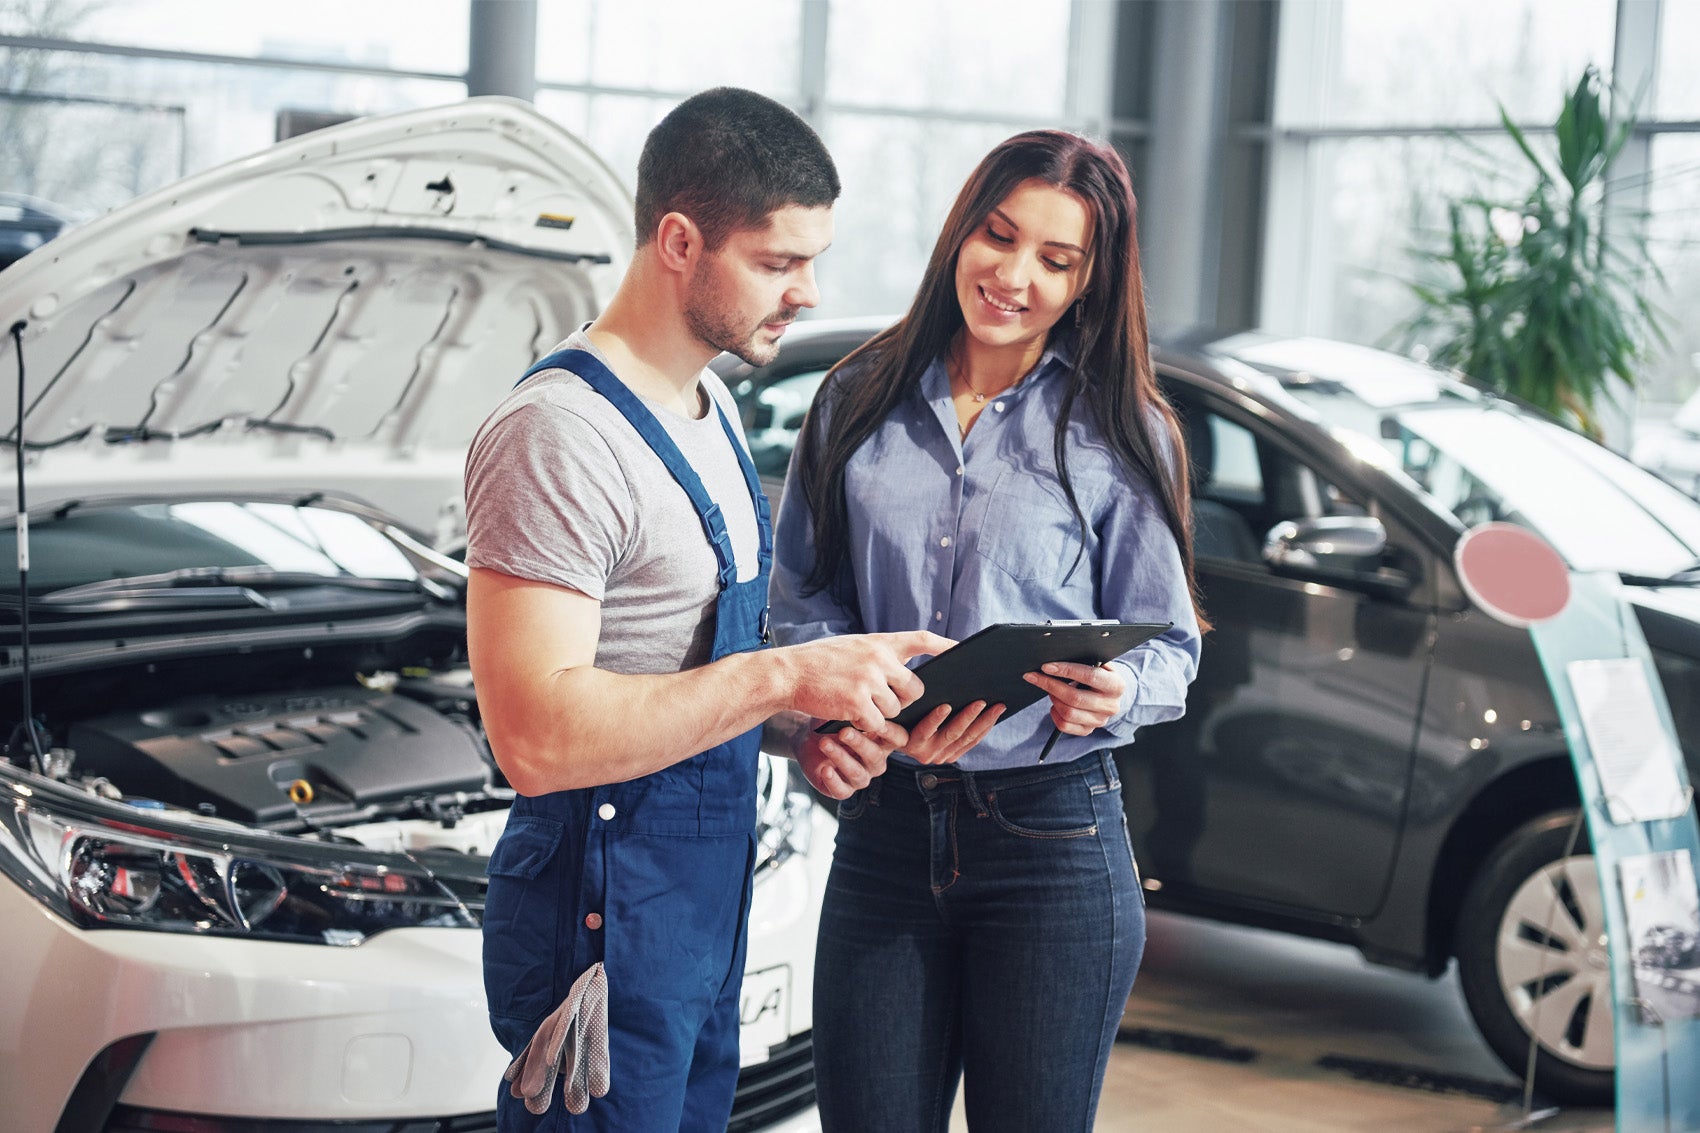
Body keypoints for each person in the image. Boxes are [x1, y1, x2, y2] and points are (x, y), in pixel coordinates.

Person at [464, 87, 949, 1132]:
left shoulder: (710, 405)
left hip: (695, 913)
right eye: (777, 263)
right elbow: (538, 737)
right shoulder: (558, 434)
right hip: (597, 923)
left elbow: (671, 667)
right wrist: (782, 674)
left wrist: (805, 724)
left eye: (812, 260)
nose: (808, 292)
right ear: (679, 241)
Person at [770, 130, 1206, 1131]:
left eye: (1055, 260)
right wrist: (820, 724)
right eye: (998, 236)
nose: (1011, 275)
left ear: (1090, 282)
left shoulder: (1123, 429)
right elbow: (803, 601)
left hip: (1051, 842)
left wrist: (1116, 691)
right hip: (881, 833)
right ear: (961, 228)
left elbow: (1169, 651)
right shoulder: (854, 396)